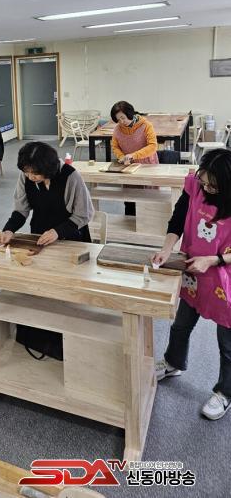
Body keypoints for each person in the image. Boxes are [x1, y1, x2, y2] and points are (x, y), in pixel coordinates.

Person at [153, 149, 231, 421]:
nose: (206, 188)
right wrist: (167, 249)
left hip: (224, 275)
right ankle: (173, 362)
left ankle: (225, 393)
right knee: (181, 324)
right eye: (203, 181)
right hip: (194, 269)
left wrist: (214, 259)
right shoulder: (195, 186)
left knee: (227, 342)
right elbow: (177, 219)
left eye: (213, 186)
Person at [0, 141, 94, 246]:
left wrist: (57, 232)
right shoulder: (25, 176)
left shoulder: (71, 177)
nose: (30, 177)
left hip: (70, 238)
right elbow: (21, 210)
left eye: (35, 173)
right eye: (27, 172)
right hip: (40, 236)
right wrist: (9, 230)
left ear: (48, 168)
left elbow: (84, 214)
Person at [110, 101, 158, 216]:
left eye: (123, 118)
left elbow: (153, 146)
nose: (121, 122)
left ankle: (149, 222)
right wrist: (121, 157)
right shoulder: (117, 129)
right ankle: (130, 223)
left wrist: (133, 155)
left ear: (130, 113)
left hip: (147, 166)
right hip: (129, 167)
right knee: (130, 198)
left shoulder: (146, 125)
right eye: (118, 119)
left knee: (149, 199)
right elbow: (115, 146)